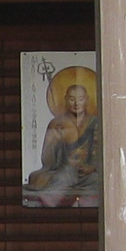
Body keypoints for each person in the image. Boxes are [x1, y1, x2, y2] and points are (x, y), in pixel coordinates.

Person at [24, 70, 100, 208]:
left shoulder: (95, 123)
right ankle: (47, 202)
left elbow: (102, 154)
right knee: (64, 175)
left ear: (87, 99)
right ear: (65, 99)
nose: (76, 103)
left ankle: (84, 202)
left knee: (97, 180)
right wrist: (54, 141)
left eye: (81, 99)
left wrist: (91, 167)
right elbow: (46, 161)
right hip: (63, 172)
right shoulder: (57, 123)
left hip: (88, 174)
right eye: (72, 99)